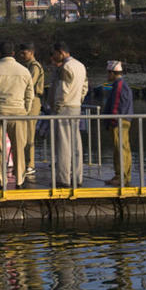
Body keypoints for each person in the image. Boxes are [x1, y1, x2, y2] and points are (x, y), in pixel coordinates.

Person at [0, 41, 33, 188]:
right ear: (13, 53)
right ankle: (19, 180)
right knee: (19, 148)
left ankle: (0, 181)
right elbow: (30, 93)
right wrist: (26, 109)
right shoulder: (24, 70)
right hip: (18, 113)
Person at [50, 41, 88, 187]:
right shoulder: (80, 65)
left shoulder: (66, 67)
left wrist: (57, 106)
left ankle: (63, 178)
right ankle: (78, 177)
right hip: (76, 106)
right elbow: (85, 86)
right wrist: (79, 99)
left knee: (63, 145)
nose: (53, 56)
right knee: (76, 144)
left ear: (61, 52)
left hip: (65, 108)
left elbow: (62, 90)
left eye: (54, 53)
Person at [103, 60, 134, 186]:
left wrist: (112, 120)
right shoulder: (122, 84)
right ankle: (124, 176)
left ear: (112, 73)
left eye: (108, 73)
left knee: (120, 149)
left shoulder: (119, 85)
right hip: (123, 121)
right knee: (124, 148)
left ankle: (120, 176)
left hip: (119, 122)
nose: (107, 75)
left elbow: (116, 105)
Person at [17, 42, 44, 178]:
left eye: (24, 53)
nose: (22, 55)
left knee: (29, 134)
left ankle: (30, 164)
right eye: (21, 53)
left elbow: (29, 84)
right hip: (26, 101)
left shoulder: (35, 66)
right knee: (24, 133)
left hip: (33, 101)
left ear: (31, 52)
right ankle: (26, 161)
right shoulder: (26, 67)